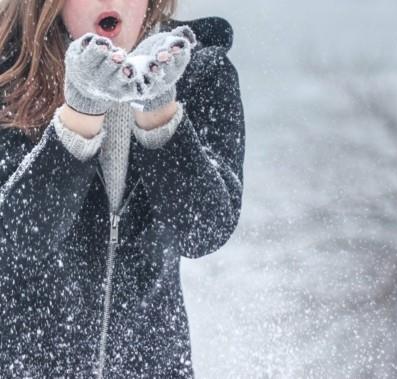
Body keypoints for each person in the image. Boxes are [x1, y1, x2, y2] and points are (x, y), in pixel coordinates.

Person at [0, 0, 245, 377]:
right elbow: (18, 236)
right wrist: (81, 112)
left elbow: (203, 230)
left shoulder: (200, 73)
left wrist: (159, 111)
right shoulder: (9, 75)